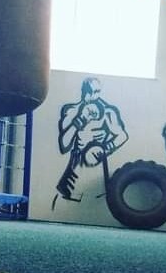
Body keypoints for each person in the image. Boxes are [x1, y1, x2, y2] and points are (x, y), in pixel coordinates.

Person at [52, 77, 129, 209]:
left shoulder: (108, 112)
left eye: (96, 91)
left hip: (95, 171)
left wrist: (105, 147)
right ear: (83, 91)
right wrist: (81, 119)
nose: (92, 95)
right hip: (70, 176)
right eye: (89, 91)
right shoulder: (71, 111)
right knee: (59, 204)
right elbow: (64, 145)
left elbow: (122, 135)